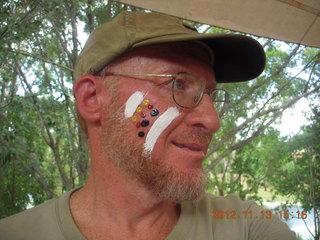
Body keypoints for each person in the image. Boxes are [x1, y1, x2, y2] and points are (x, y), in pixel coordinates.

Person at [0, 11, 297, 240]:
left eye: (210, 94)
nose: (212, 121)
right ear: (92, 98)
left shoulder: (244, 226)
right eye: (178, 84)